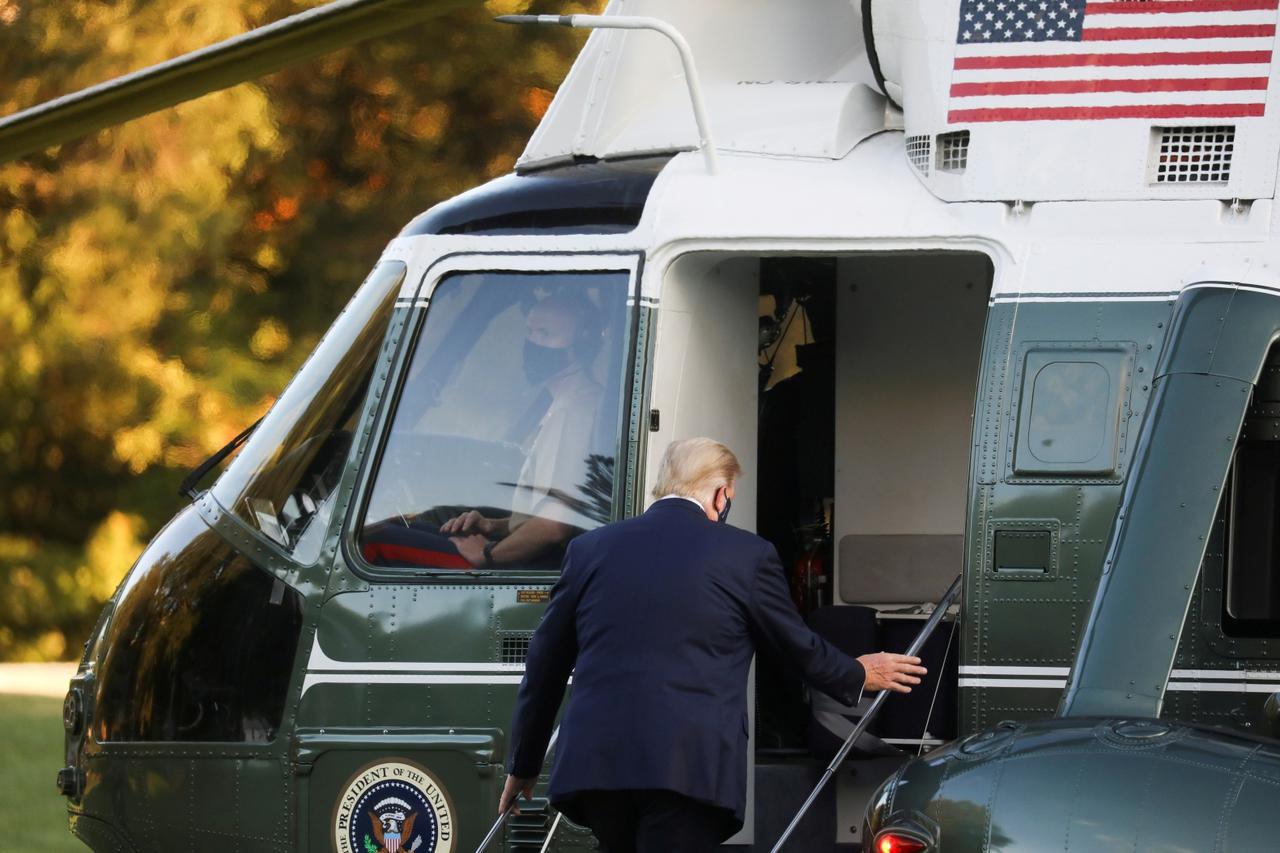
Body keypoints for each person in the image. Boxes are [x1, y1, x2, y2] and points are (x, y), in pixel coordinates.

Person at [499, 438, 927, 852]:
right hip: (689, 766)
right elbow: (795, 646)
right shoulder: (746, 555)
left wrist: (523, 766)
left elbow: (544, 666)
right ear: (722, 494)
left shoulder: (588, 549)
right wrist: (859, 673)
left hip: (596, 769)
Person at [362, 291, 605, 569]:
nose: (534, 342)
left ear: (582, 344)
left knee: (373, 543)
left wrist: (487, 554)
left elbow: (554, 526)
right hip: (535, 554)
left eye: (547, 334)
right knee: (416, 526)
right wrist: (492, 526)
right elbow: (542, 518)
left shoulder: (572, 411)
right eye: (531, 331)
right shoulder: (575, 401)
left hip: (533, 564)